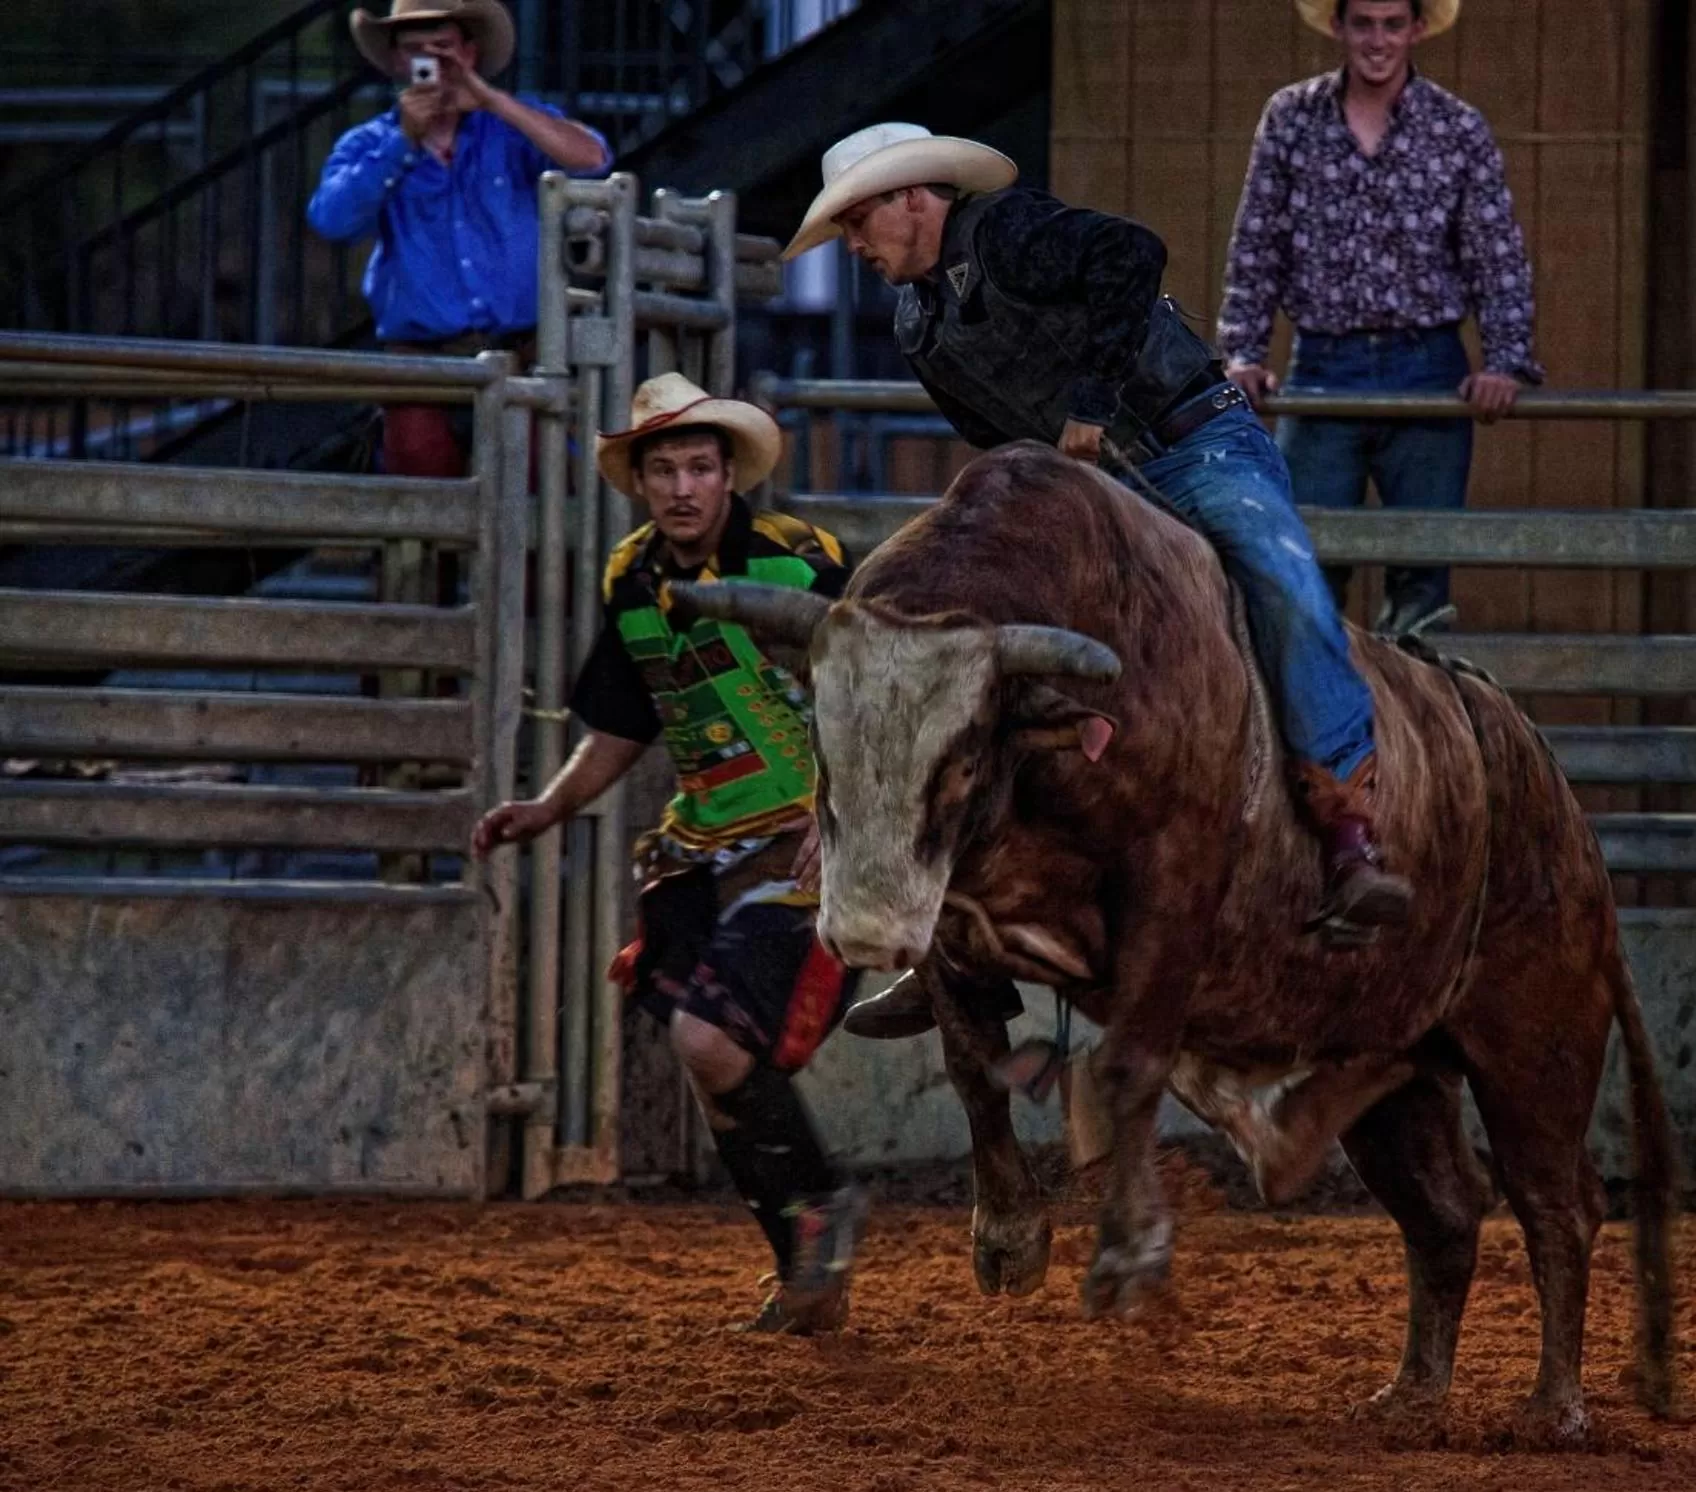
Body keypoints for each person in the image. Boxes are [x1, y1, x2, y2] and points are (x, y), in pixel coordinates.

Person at [785, 122, 1415, 951]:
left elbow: (1129, 253)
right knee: (990, 649)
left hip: (1195, 443)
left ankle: (1347, 829)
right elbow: (988, 429)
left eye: (859, 220)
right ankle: (969, 915)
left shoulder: (1007, 234)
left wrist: (1089, 402)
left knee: (1277, 572)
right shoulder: (918, 325)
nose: (855, 243)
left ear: (911, 199)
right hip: (1095, 490)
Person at [472, 374, 866, 1334]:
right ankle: (806, 1272)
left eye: (699, 466)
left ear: (730, 476)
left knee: (706, 1038)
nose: (683, 486)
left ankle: (825, 1208)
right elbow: (623, 716)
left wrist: (851, 808)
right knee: (713, 1066)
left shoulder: (802, 562)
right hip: (701, 854)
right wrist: (550, 806)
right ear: (640, 483)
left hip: (807, 840)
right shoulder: (632, 577)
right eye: (664, 469)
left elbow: (884, 687)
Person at [1220, 0, 1542, 637]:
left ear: (1417, 29)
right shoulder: (1291, 118)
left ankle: (1421, 733)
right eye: (1363, 23)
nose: (1377, 40)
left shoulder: (1457, 127)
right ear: (1337, 27)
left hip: (1425, 365)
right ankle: (1318, 733)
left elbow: (1495, 251)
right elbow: (1258, 243)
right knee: (1302, 564)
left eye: (1392, 24)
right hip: (1322, 364)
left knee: (1421, 576)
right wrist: (1243, 353)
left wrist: (1505, 361)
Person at [308, 0, 612, 478]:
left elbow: (592, 157)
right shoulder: (369, 142)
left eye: (444, 50)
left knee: (533, 490)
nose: (432, 65)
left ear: (469, 54)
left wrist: (491, 100)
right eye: (415, 52)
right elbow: (331, 219)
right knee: (422, 505)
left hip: (519, 353)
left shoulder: (510, 127)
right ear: (395, 62)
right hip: (420, 361)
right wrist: (401, 142)